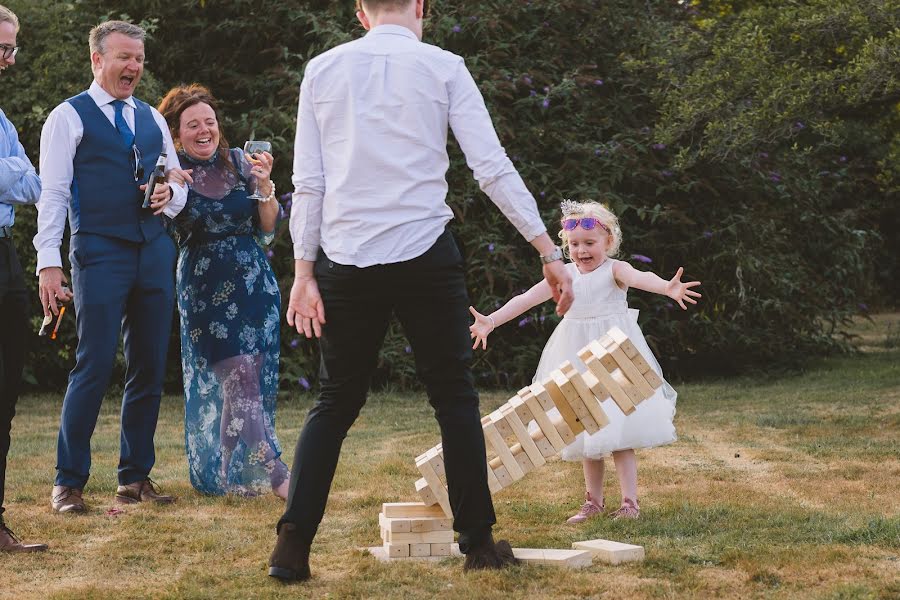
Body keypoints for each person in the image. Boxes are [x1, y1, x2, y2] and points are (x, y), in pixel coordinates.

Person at [267, 0, 574, 582]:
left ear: (360, 12)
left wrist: (304, 273)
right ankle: (479, 544)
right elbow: (491, 167)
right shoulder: (444, 66)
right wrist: (547, 252)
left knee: (335, 401)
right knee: (453, 396)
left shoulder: (323, 70)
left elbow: (308, 183)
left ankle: (292, 547)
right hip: (425, 252)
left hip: (345, 257)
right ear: (420, 7)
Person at [34, 20, 186, 513]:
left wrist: (170, 195)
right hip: (98, 251)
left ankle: (134, 477)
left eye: (139, 58)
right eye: (124, 57)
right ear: (97, 60)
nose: (134, 67)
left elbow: (176, 183)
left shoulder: (151, 117)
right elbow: (53, 194)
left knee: (148, 364)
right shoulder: (67, 117)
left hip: (153, 248)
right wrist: (48, 264)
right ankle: (68, 481)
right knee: (94, 363)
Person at [470, 200, 700, 522]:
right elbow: (525, 299)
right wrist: (491, 321)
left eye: (590, 243)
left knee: (620, 430)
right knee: (585, 427)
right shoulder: (564, 277)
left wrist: (667, 287)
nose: (581, 251)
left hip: (615, 359)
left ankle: (629, 503)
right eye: (574, 244)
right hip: (575, 357)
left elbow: (640, 276)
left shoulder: (614, 271)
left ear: (608, 242)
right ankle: (592, 502)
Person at [158, 84, 290, 498]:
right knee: (240, 374)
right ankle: (276, 468)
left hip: (255, 288)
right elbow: (163, 217)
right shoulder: (172, 175)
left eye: (209, 122)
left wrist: (265, 185)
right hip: (204, 291)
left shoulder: (239, 163)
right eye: (192, 124)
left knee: (242, 383)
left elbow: (268, 227)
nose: (203, 130)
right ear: (177, 134)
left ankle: (225, 474)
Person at [0, 4, 47, 553]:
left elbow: (32, 183)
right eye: (2, 47)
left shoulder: (3, 120)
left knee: (7, 390)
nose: (9, 60)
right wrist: (11, 171)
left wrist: (10, 172)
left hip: (4, 257)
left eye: (13, 49)